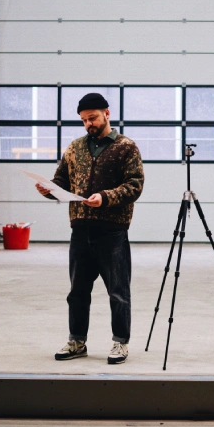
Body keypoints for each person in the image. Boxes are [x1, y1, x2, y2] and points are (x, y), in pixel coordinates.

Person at [36, 92, 144, 365]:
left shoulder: (126, 147)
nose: (88, 125)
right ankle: (77, 341)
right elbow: (62, 182)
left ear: (107, 113)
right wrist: (48, 189)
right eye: (84, 120)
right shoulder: (74, 148)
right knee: (77, 292)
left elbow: (134, 186)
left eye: (93, 118)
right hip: (80, 231)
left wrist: (105, 197)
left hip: (112, 231)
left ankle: (120, 343)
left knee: (118, 292)